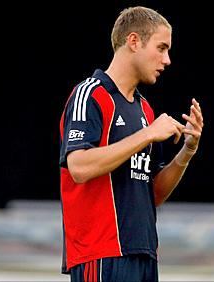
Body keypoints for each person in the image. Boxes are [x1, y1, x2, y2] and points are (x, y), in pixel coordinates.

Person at [59, 6, 203, 281]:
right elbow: (78, 166)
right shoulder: (89, 94)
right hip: (102, 255)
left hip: (144, 253)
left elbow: (154, 195)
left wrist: (187, 151)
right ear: (134, 41)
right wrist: (147, 135)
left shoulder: (145, 110)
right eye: (161, 48)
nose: (167, 60)